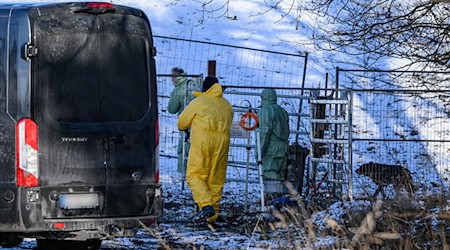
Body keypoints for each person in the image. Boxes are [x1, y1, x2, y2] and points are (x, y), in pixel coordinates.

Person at [178, 77, 233, 223]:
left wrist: (187, 128)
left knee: (195, 175)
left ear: (205, 88)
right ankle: (211, 217)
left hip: (202, 141)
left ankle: (206, 205)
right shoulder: (226, 104)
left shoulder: (198, 102)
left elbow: (181, 122)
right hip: (222, 143)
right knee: (215, 179)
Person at [168, 67, 197, 173]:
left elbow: (171, 109)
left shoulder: (178, 90)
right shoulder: (193, 84)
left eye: (172, 77)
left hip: (185, 124)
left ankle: (184, 174)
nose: (171, 79)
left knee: (184, 148)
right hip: (198, 124)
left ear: (177, 77)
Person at [258, 89, 290, 182]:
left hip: (271, 149)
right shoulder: (282, 111)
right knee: (280, 175)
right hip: (282, 147)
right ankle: (279, 195)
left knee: (269, 174)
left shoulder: (265, 111)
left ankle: (271, 196)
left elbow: (263, 134)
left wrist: (259, 153)